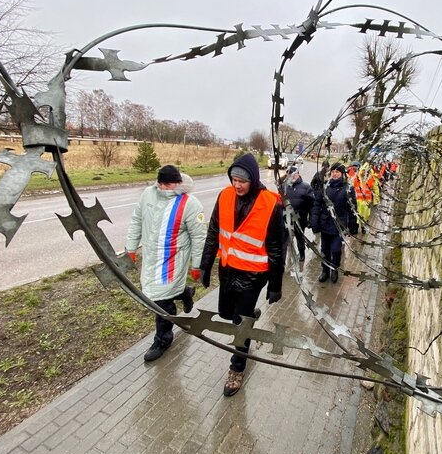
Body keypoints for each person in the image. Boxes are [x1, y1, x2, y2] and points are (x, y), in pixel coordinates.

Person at [199, 153, 285, 397]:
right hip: (227, 270)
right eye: (234, 179)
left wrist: (275, 284)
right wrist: (205, 265)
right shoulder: (225, 196)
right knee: (227, 313)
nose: (237, 185)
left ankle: (237, 369)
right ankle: (249, 317)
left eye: (242, 181)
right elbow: (214, 231)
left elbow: (278, 247)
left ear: (253, 180)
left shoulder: (270, 204)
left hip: (253, 276)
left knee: (240, 324)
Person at [126, 165, 206, 362]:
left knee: (161, 301)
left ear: (178, 183)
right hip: (151, 258)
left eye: (168, 184)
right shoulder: (148, 195)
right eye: (161, 183)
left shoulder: (190, 204)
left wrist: (197, 265)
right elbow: (137, 219)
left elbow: (199, 236)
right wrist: (131, 246)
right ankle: (185, 292)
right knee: (157, 292)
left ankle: (163, 339)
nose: (163, 188)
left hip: (173, 261)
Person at [309, 162, 357, 284]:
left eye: (337, 172)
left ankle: (334, 269)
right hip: (325, 224)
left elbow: (352, 209)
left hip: (339, 226)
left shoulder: (348, 188)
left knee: (335, 250)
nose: (334, 174)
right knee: (324, 250)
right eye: (333, 172)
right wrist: (314, 222)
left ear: (342, 174)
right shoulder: (324, 187)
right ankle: (325, 270)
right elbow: (316, 205)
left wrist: (352, 226)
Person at [280, 166, 314, 262]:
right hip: (286, 218)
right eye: (289, 174)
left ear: (298, 174)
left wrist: (311, 219)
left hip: (300, 218)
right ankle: (286, 256)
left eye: (294, 174)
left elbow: (312, 205)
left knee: (300, 238)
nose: (292, 176)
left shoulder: (306, 187)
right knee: (286, 239)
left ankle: (302, 254)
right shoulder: (284, 187)